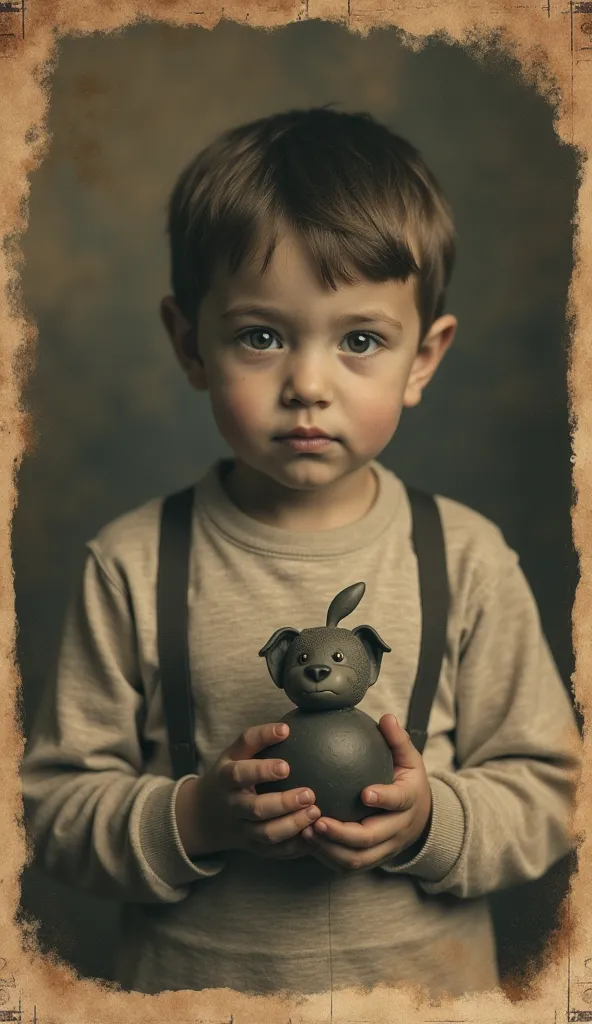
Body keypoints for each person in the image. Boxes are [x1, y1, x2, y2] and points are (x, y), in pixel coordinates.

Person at [21, 107, 581, 999]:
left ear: (423, 357)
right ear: (188, 342)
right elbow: (49, 811)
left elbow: (552, 791)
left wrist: (434, 819)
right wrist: (195, 817)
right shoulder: (131, 564)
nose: (308, 386)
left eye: (360, 340)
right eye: (261, 336)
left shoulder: (466, 560)